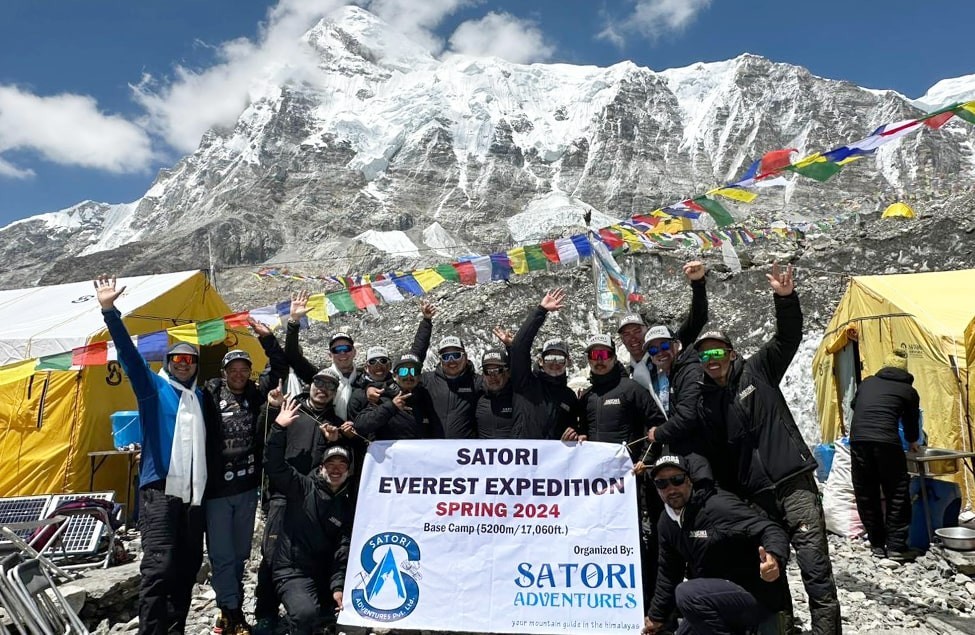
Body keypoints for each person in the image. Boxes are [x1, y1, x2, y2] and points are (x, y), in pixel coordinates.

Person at [695, 262, 840, 635]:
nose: (711, 363)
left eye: (716, 354)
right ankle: (784, 631)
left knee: (815, 569)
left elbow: (788, 337)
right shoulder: (708, 404)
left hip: (794, 485)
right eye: (704, 357)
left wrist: (785, 297)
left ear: (730, 352)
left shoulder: (758, 370)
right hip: (757, 498)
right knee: (770, 570)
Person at [94, 275, 208, 635]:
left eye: (190, 359)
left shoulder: (201, 398)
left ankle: (175, 629)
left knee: (188, 566)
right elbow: (129, 357)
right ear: (169, 361)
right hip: (160, 491)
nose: (183, 363)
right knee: (159, 567)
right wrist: (110, 311)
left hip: (194, 496)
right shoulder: (153, 389)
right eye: (177, 358)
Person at [203, 326, 289, 635]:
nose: (238, 374)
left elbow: (280, 367)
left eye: (243, 369)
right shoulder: (209, 397)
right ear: (224, 372)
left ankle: (231, 606)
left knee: (240, 553)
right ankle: (230, 612)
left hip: (247, 487)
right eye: (233, 370)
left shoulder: (255, 395)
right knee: (222, 554)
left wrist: (268, 338)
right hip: (216, 490)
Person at [644, 454, 790, 635]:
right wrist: (656, 617)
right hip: (715, 599)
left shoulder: (717, 506)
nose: (671, 489)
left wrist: (774, 558)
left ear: (689, 480)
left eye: (677, 480)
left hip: (754, 596)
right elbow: (668, 572)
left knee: (687, 593)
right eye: (662, 484)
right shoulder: (666, 522)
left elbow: (770, 529)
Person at [252, 368, 348, 633]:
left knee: (318, 551)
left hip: (317, 498)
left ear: (334, 393)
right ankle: (266, 612)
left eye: (330, 386)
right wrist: (271, 409)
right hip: (284, 495)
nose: (323, 389)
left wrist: (335, 440)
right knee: (272, 557)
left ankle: (314, 605)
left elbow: (340, 461)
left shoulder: (336, 422)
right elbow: (263, 437)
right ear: (311, 385)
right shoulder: (291, 408)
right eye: (319, 383)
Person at [850, 350, 921, 561]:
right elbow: (911, 423)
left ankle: (877, 544)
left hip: (859, 440)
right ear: (905, 370)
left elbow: (855, 405)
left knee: (866, 491)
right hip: (887, 442)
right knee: (897, 492)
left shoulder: (868, 383)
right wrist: (913, 441)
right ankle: (897, 546)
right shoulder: (908, 391)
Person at [506, 289, 583, 441]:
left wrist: (573, 435)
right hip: (523, 459)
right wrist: (540, 311)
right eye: (550, 358)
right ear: (540, 361)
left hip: (551, 462)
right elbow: (519, 347)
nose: (555, 363)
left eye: (559, 358)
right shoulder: (525, 383)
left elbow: (573, 429)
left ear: (567, 363)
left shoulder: (569, 396)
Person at [620, 261, 708, 392]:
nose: (633, 338)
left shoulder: (670, 349)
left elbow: (697, 319)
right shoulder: (626, 374)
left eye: (637, 330)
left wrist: (698, 283)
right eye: (626, 334)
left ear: (647, 330)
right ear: (621, 340)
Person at [353, 353, 441, 440]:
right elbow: (360, 425)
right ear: (394, 376)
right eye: (403, 371)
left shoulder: (426, 397)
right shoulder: (382, 397)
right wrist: (391, 407)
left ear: (419, 376)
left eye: (414, 371)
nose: (409, 376)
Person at [423, 336, 482, 439]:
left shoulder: (477, 382)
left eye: (456, 355)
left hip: (464, 451)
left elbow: (509, 380)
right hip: (432, 451)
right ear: (440, 359)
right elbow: (411, 365)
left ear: (465, 356)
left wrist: (511, 348)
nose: (451, 361)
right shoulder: (427, 380)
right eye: (446, 357)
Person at [475, 349, 517, 438]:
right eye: (488, 372)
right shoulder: (476, 397)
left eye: (497, 371)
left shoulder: (519, 398)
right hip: (483, 451)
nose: (492, 376)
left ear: (508, 372)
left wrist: (511, 347)